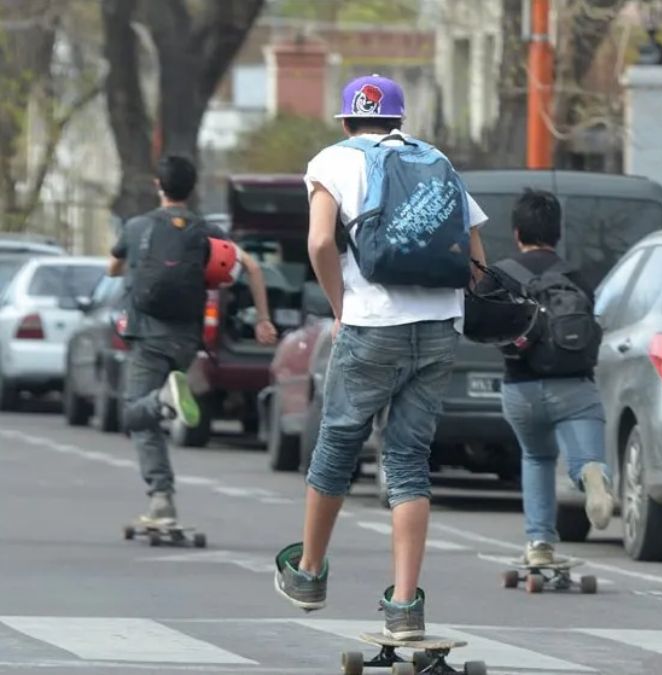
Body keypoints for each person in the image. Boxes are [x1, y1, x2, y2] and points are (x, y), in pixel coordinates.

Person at [273, 74, 488, 641]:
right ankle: (405, 605)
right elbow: (476, 256)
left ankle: (309, 573)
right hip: (439, 325)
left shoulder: (332, 161)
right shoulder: (436, 160)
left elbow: (321, 242)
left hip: (372, 322)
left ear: (346, 121)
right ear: (399, 120)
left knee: (338, 442)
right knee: (410, 459)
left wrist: (339, 306)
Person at [108, 155, 277, 527]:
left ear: (158, 185)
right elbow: (251, 267)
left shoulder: (137, 227)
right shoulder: (206, 231)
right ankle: (162, 499)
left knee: (135, 413)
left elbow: (112, 267)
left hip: (147, 336)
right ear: (192, 188)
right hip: (186, 340)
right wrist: (264, 319)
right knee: (149, 420)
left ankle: (161, 485)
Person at [477, 189, 614, 565]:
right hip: (575, 388)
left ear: (517, 232)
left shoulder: (501, 275)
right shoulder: (576, 276)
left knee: (537, 457)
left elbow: (476, 322)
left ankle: (539, 544)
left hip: (520, 389)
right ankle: (591, 474)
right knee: (586, 458)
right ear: (558, 233)